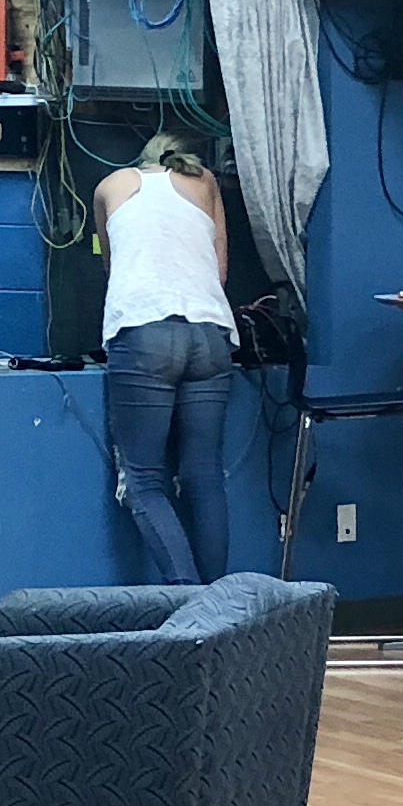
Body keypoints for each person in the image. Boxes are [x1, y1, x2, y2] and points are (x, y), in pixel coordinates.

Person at [95, 131, 239, 585]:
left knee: (143, 480)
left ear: (141, 160)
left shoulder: (109, 186)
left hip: (144, 332)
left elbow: (113, 270)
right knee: (203, 478)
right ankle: (218, 609)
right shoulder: (205, 182)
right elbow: (219, 272)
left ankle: (187, 597)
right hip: (210, 332)